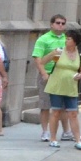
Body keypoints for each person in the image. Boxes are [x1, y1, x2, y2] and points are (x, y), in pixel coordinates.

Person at [32, 14, 70, 142]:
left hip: (63, 76)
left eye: (63, 23)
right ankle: (45, 131)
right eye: (58, 23)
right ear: (51, 24)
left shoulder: (67, 39)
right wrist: (43, 74)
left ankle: (66, 132)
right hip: (48, 74)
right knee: (45, 105)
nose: (60, 25)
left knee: (64, 106)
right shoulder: (43, 39)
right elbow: (37, 58)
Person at [43, 37, 81, 149]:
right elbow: (43, 62)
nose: (66, 41)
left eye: (69, 39)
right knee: (55, 111)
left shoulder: (80, 54)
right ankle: (53, 139)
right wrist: (52, 54)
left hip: (71, 87)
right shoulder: (60, 52)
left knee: (73, 113)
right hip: (56, 86)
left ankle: (78, 140)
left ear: (75, 42)